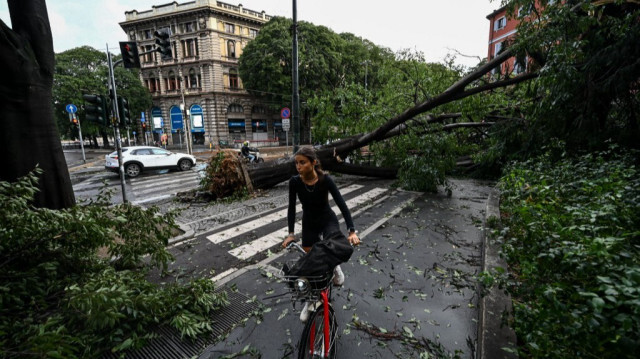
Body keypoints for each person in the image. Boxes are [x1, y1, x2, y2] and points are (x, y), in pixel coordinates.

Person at [281, 146, 360, 321]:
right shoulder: (294, 182)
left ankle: (335, 267)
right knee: (311, 262)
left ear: (313, 162)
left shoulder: (325, 180)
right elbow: (291, 208)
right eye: (296, 163)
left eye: (302, 162)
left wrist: (352, 230)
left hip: (326, 219)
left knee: (333, 244)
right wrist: (291, 233)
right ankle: (311, 301)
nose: (298, 166)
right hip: (309, 222)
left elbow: (341, 204)